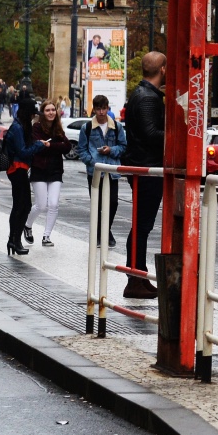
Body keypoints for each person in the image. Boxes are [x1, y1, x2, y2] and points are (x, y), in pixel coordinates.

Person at [121, 51, 168, 300]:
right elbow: (151, 133)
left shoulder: (142, 94)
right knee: (142, 226)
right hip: (147, 168)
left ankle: (138, 275)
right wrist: (174, 136)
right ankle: (135, 278)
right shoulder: (149, 97)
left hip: (142, 167)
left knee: (141, 225)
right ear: (162, 70)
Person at [1, 92, 46, 257]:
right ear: (28, 113)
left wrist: (36, 144)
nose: (35, 117)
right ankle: (15, 240)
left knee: (20, 206)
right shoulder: (18, 127)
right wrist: (39, 145)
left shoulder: (19, 125)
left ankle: (13, 240)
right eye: (34, 114)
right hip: (17, 169)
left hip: (18, 169)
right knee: (23, 206)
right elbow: (23, 151)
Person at [79, 94, 126, 248]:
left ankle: (103, 233)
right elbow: (82, 150)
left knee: (113, 203)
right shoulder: (86, 128)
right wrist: (91, 161)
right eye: (98, 109)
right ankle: (104, 236)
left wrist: (111, 150)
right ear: (94, 109)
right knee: (97, 205)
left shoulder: (117, 127)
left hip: (112, 170)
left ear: (107, 108)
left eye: (103, 108)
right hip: (95, 171)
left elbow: (123, 147)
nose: (101, 112)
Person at [27, 99, 72, 247]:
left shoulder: (58, 128)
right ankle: (27, 225)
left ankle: (46, 236)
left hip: (55, 171)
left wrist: (50, 145)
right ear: (42, 112)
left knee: (53, 204)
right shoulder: (37, 127)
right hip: (39, 169)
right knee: (41, 205)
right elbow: (37, 145)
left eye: (53, 110)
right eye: (48, 110)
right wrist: (52, 146)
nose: (51, 112)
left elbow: (67, 146)